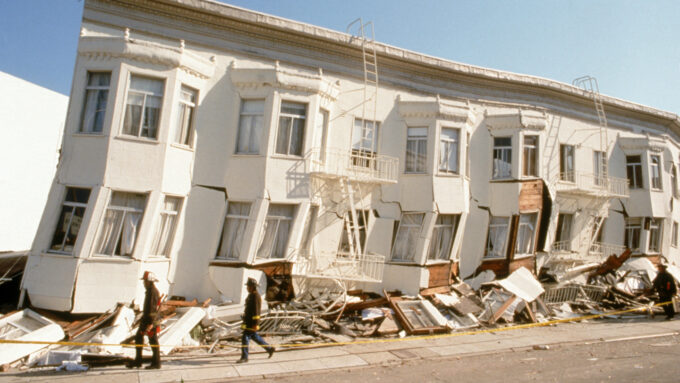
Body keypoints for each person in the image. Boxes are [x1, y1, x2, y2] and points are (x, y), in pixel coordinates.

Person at [128, 271, 162, 369]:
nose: (144, 283)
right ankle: (138, 361)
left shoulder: (152, 292)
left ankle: (156, 363)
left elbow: (152, 309)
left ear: (149, 281)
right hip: (147, 320)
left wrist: (151, 324)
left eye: (145, 281)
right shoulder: (150, 291)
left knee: (153, 341)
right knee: (139, 337)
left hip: (151, 321)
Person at [237, 277, 275, 363]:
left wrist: (255, 324)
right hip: (249, 321)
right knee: (255, 337)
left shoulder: (256, 296)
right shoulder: (251, 295)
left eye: (248, 286)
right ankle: (269, 349)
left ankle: (244, 357)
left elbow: (257, 312)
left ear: (252, 287)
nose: (247, 288)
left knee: (245, 338)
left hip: (252, 323)